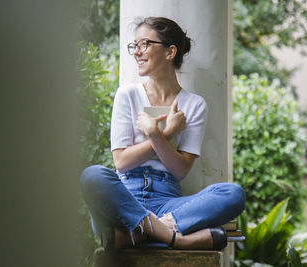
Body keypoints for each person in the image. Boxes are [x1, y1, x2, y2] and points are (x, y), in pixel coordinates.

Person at [80, 17, 245, 250]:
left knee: (233, 193)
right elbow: (121, 162)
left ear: (170, 52)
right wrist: (165, 133)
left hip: (170, 204)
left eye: (144, 44)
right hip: (126, 198)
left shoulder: (194, 104)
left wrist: (154, 135)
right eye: (134, 46)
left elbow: (180, 170)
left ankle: (137, 235)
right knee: (92, 176)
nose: (137, 52)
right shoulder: (127, 95)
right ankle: (173, 238)